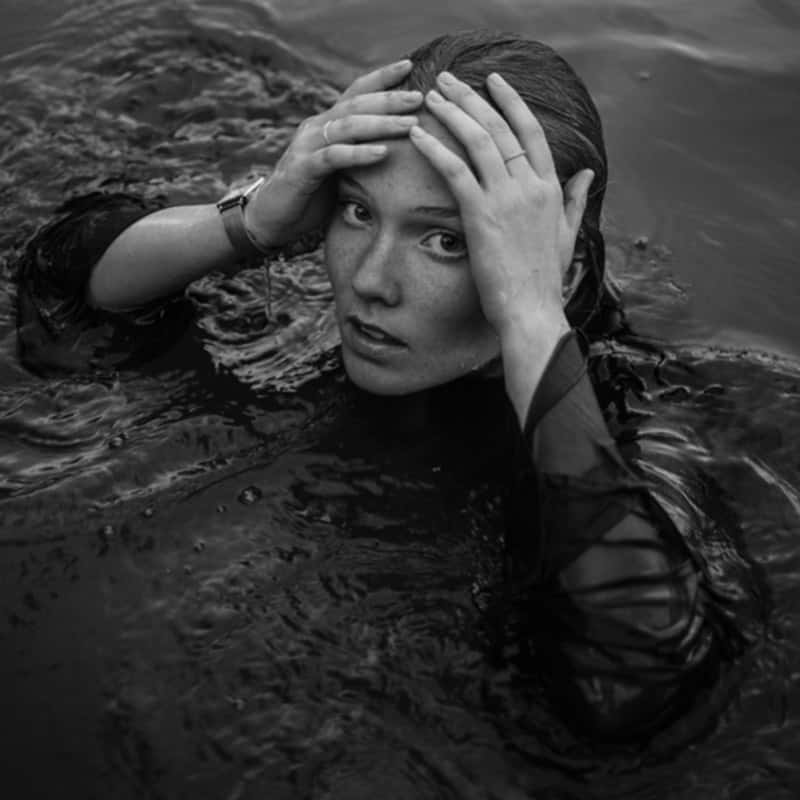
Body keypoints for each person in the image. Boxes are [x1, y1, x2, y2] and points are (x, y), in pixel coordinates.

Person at [14, 30, 763, 742]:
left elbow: (640, 682)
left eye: (445, 240)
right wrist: (253, 224)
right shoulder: (312, 292)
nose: (369, 282)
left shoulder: (635, 416)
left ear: (548, 268)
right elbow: (62, 283)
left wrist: (531, 320)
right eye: (358, 212)